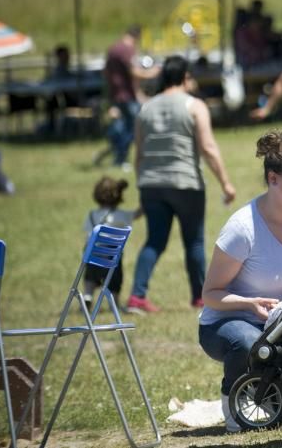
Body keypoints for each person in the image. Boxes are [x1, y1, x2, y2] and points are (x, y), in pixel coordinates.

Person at [198, 132, 282, 433]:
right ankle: (233, 404)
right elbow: (210, 295)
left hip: (281, 322)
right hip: (226, 323)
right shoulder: (242, 228)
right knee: (249, 344)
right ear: (273, 179)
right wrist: (249, 304)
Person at [126, 55, 237, 314]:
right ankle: (200, 297)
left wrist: (142, 187)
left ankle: (136, 297)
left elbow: (139, 153)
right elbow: (208, 148)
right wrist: (225, 183)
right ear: (185, 77)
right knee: (194, 242)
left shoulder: (146, 108)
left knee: (154, 241)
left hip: (151, 184)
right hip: (185, 183)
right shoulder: (194, 106)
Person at [82, 177, 142, 308]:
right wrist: (144, 204)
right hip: (111, 253)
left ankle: (87, 295)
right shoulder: (119, 215)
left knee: (90, 276)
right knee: (114, 278)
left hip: (92, 250)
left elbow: (86, 231)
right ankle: (114, 302)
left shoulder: (91, 214)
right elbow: (136, 214)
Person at [103, 26, 158, 170]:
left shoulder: (113, 49)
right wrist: (152, 73)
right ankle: (121, 158)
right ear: (137, 37)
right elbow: (134, 73)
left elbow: (107, 73)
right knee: (134, 128)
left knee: (121, 127)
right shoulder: (127, 50)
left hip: (116, 94)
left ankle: (118, 157)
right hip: (126, 95)